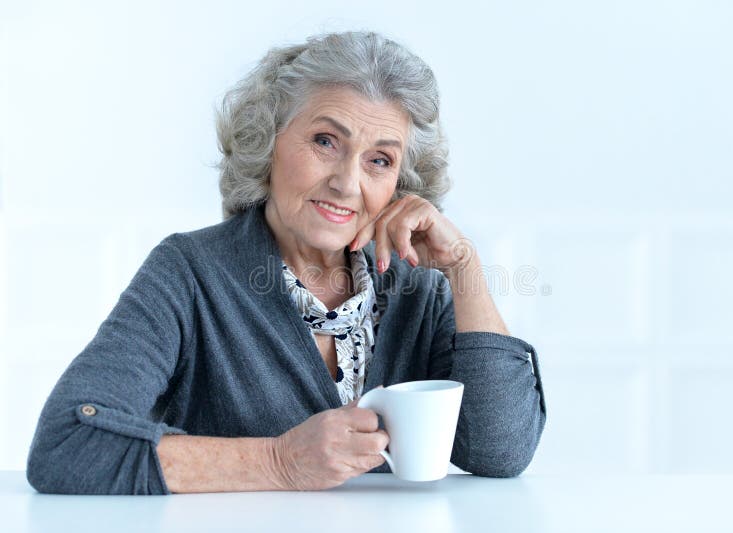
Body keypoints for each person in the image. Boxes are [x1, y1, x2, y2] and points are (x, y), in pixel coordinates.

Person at [26, 30, 546, 495]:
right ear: (266, 141)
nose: (347, 182)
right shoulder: (189, 272)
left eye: (379, 161)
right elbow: (68, 444)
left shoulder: (419, 287)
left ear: (399, 184)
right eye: (325, 141)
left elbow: (498, 452)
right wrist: (279, 462)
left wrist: (462, 265)